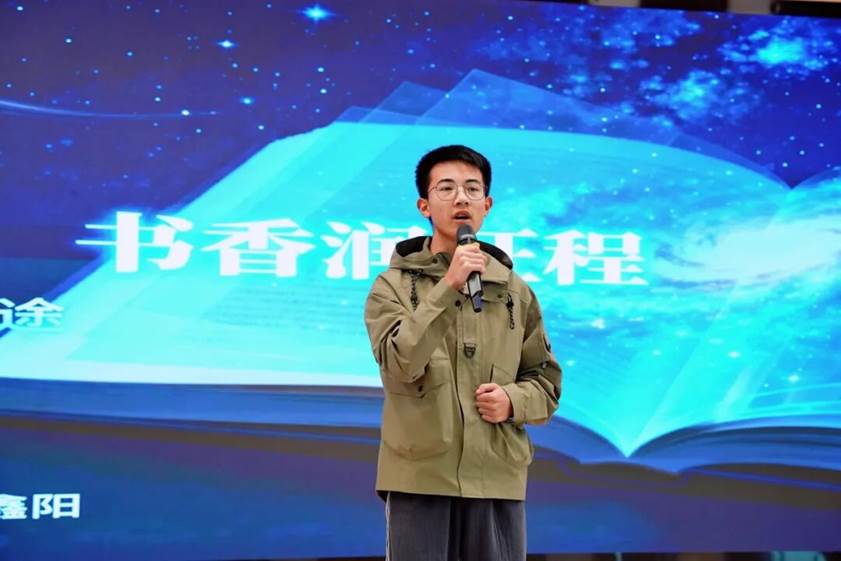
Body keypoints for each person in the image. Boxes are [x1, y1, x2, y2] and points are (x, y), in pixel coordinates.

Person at [364, 144, 562, 561]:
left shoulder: (516, 291)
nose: (461, 198)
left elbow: (545, 384)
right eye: (447, 188)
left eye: (472, 189)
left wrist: (512, 400)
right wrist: (448, 287)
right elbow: (400, 364)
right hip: (420, 477)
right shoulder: (392, 286)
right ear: (424, 205)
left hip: (496, 476)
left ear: (487, 205)